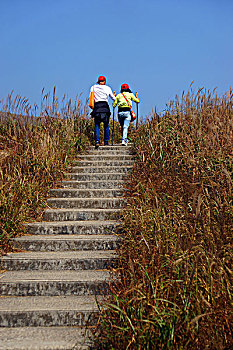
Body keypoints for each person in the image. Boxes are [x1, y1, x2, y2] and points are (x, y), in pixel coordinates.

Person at [89, 76, 116, 149]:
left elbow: (91, 97)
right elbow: (113, 98)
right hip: (105, 107)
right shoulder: (107, 88)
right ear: (104, 81)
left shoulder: (93, 87)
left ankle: (97, 141)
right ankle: (106, 141)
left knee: (97, 125)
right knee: (106, 125)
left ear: (98, 81)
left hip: (97, 107)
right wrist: (115, 97)